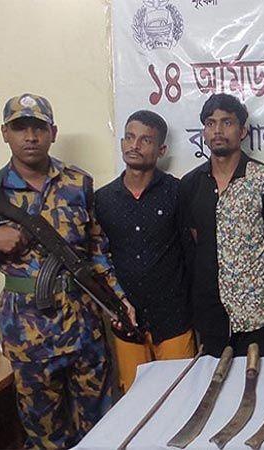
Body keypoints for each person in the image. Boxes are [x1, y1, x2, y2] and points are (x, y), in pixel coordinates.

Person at [0, 93, 136, 449]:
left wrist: (120, 301)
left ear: (53, 132)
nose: (30, 137)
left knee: (102, 430)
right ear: (5, 133)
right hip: (28, 338)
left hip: (85, 329)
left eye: (39, 128)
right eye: (20, 128)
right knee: (44, 436)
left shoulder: (78, 183)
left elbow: (97, 252)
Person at [95, 110, 196, 393]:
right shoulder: (103, 200)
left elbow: (191, 253)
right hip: (127, 322)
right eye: (129, 137)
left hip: (174, 319)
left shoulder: (177, 192)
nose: (135, 145)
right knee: (134, 399)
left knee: (180, 397)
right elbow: (99, 259)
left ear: (161, 150)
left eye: (145, 140)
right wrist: (113, 305)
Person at [179, 93, 264, 357]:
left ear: (243, 131)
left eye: (227, 122)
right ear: (204, 132)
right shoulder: (190, 184)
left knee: (257, 375)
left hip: (255, 309)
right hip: (210, 309)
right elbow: (199, 241)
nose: (218, 130)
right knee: (214, 377)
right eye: (211, 123)